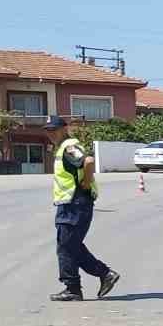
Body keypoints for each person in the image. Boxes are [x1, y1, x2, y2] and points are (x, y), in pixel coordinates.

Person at [46, 116, 120, 302]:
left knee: (66, 247)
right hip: (70, 203)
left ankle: (74, 288)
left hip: (75, 203)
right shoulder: (63, 148)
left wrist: (86, 183)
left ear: (64, 129)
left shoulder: (69, 146)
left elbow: (87, 161)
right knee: (70, 245)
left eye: (54, 130)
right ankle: (102, 275)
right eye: (48, 130)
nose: (51, 134)